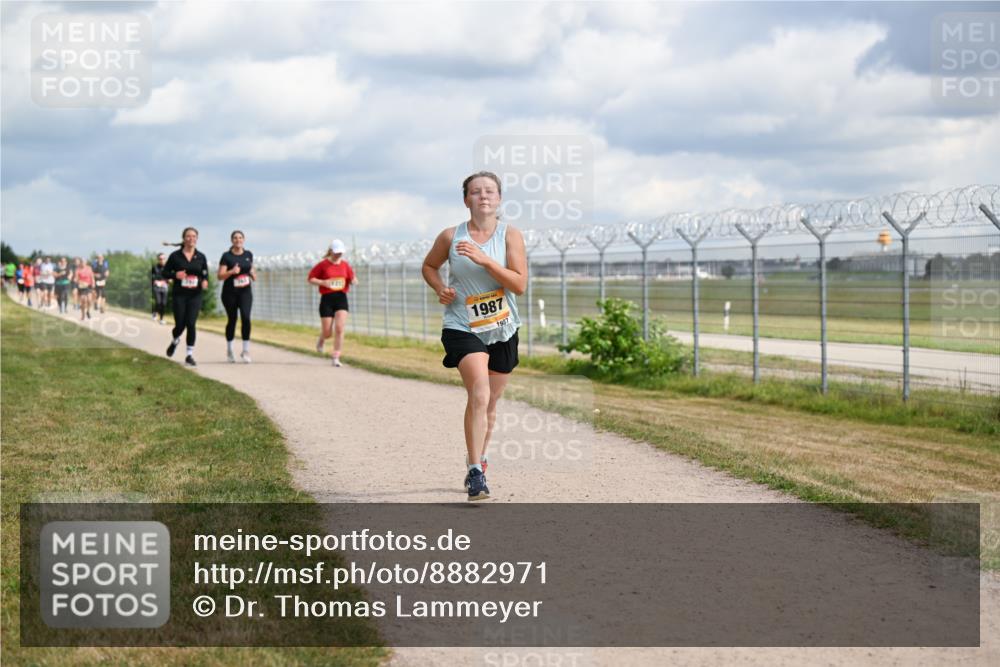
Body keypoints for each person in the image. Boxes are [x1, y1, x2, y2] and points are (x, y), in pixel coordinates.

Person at [421, 171, 527, 501]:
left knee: (491, 403)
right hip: (462, 325)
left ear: (499, 199)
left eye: (490, 191)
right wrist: (441, 288)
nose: (483, 196)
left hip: (503, 326)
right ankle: (475, 473)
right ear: (466, 199)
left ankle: (479, 457)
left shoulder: (510, 236)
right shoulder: (450, 237)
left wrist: (484, 259)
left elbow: (519, 285)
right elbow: (429, 266)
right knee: (479, 393)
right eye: (476, 192)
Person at [162, 227, 209, 367]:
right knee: (180, 324)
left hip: (195, 295)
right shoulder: (175, 256)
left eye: (194, 236)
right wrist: (175, 275)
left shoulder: (201, 256)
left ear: (197, 239)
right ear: (184, 238)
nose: (191, 238)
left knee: (191, 324)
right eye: (188, 236)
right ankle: (175, 340)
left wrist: (205, 280)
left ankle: (189, 355)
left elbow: (204, 273)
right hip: (180, 295)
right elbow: (165, 273)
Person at [307, 239, 357, 367]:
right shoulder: (323, 265)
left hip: (341, 297)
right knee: (328, 332)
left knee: (339, 328)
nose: (338, 255)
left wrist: (354, 280)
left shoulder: (345, 265)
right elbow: (310, 278)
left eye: (340, 253)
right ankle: (322, 339)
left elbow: (352, 277)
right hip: (327, 299)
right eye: (336, 253)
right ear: (331, 251)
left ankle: (336, 356)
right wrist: (323, 282)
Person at [218, 230, 256, 363]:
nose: (238, 240)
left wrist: (252, 274)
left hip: (245, 292)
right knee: (232, 319)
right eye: (235, 238)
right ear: (232, 240)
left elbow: (251, 269)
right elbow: (220, 276)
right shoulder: (226, 256)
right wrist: (231, 271)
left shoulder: (248, 254)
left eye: (240, 237)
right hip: (230, 293)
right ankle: (229, 350)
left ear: (244, 239)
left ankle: (245, 351)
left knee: (246, 317)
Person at [150, 253, 169, 324]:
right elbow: (151, 276)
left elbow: (170, 276)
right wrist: (155, 281)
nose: (162, 260)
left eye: (163, 259)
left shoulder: (168, 267)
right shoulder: (155, 267)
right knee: (158, 302)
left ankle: (161, 319)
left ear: (165, 259)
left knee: (163, 304)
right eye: (160, 259)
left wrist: (167, 280)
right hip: (157, 286)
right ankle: (154, 313)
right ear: (158, 260)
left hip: (164, 286)